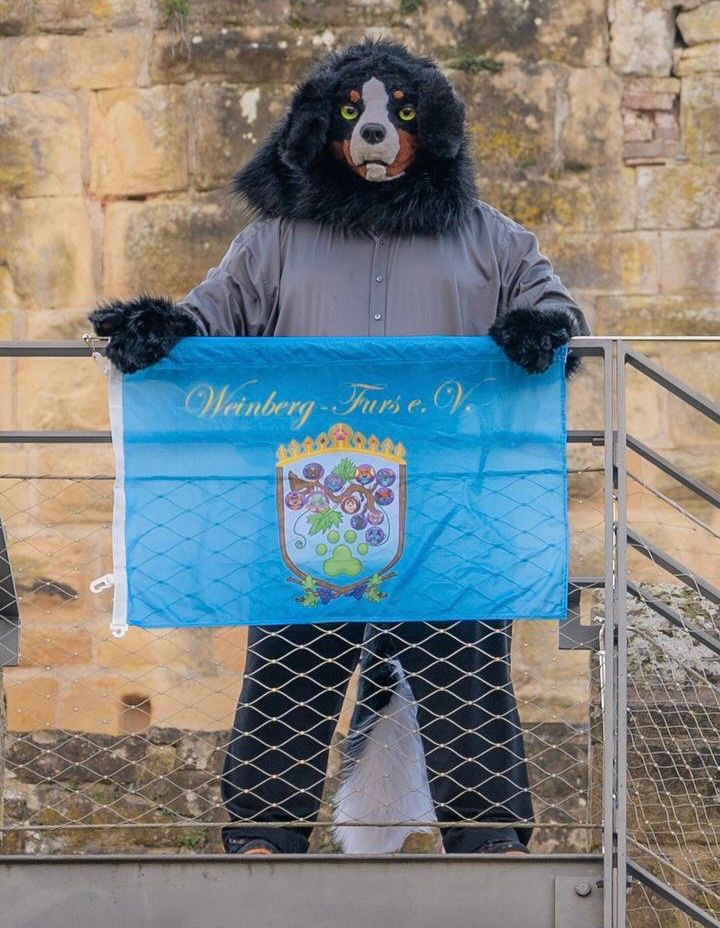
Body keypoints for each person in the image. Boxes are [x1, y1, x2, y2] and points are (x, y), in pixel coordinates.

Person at [90, 38, 589, 857]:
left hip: (449, 509)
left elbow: (558, 312)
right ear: (321, 130)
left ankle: (489, 839)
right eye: (354, 118)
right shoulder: (274, 241)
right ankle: (262, 835)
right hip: (309, 510)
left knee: (464, 673)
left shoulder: (496, 240)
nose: (376, 135)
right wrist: (163, 329)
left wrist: (543, 330)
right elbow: (216, 313)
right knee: (291, 670)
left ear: (434, 130)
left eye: (399, 118)